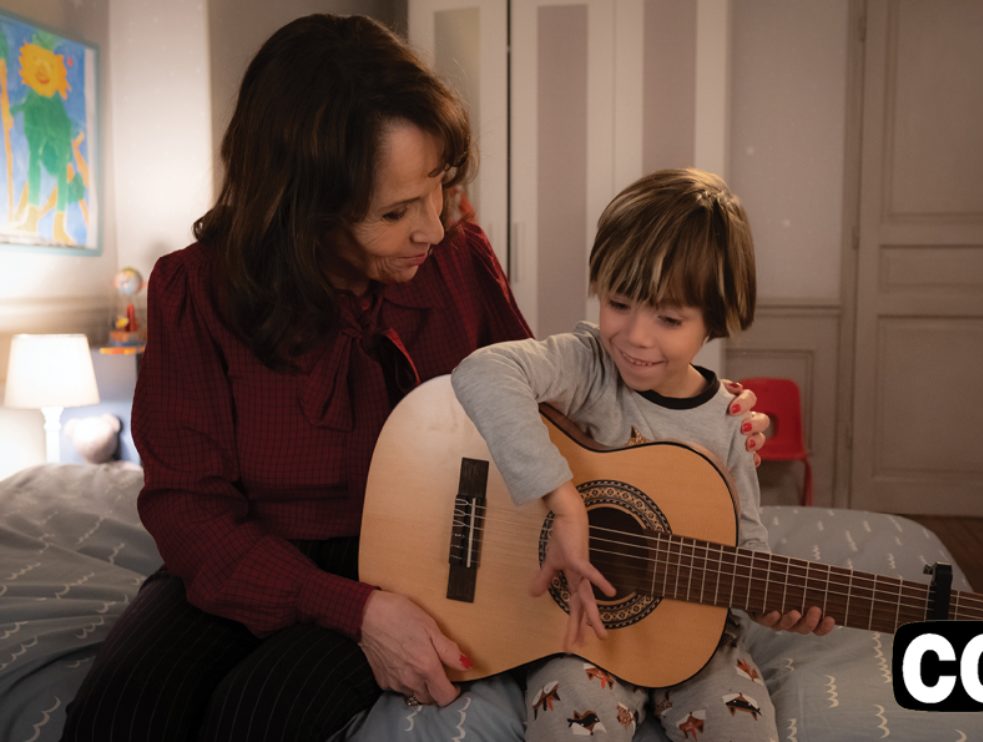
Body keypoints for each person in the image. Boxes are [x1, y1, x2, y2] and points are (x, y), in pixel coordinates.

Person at [59, 16, 765, 742]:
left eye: (440, 189)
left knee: (255, 716)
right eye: (397, 212)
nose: (433, 226)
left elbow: (551, 413)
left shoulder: (454, 255)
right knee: (121, 713)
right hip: (244, 558)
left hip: (419, 564)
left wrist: (691, 411)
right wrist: (351, 612)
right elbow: (188, 512)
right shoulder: (195, 292)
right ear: (303, 212)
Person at [451, 168, 835, 742]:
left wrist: (773, 605)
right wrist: (564, 501)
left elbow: (746, 546)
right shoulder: (586, 365)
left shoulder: (728, 425)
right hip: (585, 631)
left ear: (716, 319)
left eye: (669, 318)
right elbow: (483, 370)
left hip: (701, 639)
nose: (634, 335)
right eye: (619, 302)